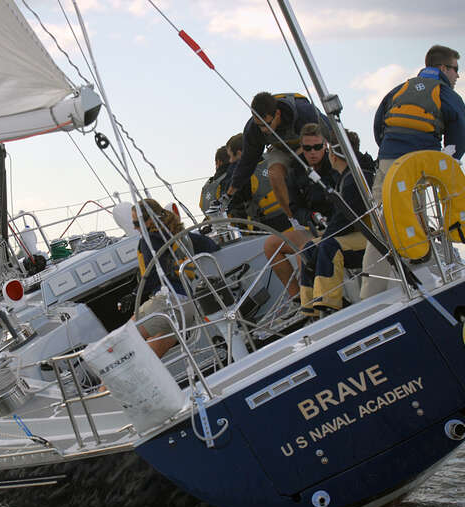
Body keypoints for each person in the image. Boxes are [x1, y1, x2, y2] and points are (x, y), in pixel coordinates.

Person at [361, 44, 465, 298]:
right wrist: (448, 161)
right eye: (455, 69)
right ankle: (416, 279)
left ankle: (370, 293)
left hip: (388, 161)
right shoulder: (447, 94)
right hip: (417, 163)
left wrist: (388, 153)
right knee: (413, 218)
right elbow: (459, 135)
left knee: (382, 224)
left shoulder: (399, 89)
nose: (457, 76)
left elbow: (379, 125)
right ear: (443, 68)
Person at [125, 199, 219, 358]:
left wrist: (134, 294)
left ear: (148, 221)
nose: (135, 228)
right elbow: (210, 245)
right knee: (151, 354)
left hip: (169, 302)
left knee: (122, 342)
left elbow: (152, 274)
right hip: (188, 306)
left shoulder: (149, 240)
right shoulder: (179, 234)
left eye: (136, 223)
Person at [299, 139, 375, 317]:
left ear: (333, 155)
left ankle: (329, 304)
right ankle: (310, 308)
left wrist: (326, 238)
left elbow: (346, 220)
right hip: (358, 233)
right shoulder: (346, 178)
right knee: (309, 248)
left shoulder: (356, 178)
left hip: (373, 236)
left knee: (329, 246)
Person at [226, 92, 329, 219]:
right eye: (260, 125)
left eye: (267, 124)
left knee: (303, 164)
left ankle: (323, 209)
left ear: (278, 114)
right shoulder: (253, 129)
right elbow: (247, 162)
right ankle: (295, 220)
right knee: (274, 174)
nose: (264, 129)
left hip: (308, 144)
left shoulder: (304, 112)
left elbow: (332, 131)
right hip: (280, 147)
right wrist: (230, 193)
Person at [263, 123, 336, 299]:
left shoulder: (335, 165)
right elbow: (295, 208)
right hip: (313, 227)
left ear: (325, 146)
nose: (312, 152)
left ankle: (313, 301)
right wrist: (309, 218)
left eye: (317, 147)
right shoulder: (296, 171)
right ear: (301, 148)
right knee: (271, 245)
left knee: (304, 250)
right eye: (307, 148)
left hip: (337, 226)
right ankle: (297, 298)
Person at [199, 146, 231, 216]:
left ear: (218, 162)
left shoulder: (207, 185)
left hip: (214, 223)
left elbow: (202, 206)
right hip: (237, 223)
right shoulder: (233, 178)